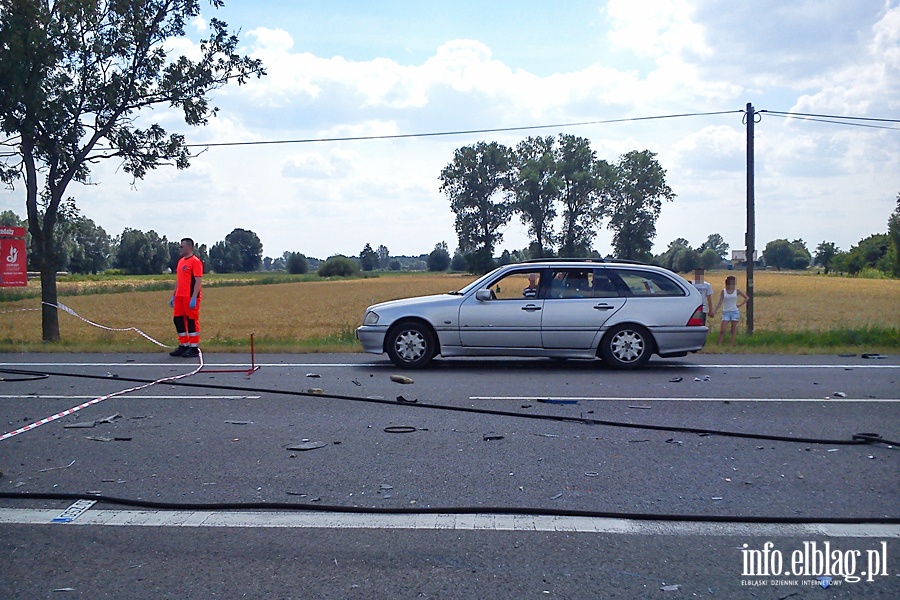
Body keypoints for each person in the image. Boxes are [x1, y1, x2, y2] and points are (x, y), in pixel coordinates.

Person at [169, 238, 203, 357]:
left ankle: (194, 347)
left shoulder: (195, 262)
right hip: (180, 296)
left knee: (191, 321)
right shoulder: (181, 261)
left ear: (189, 247)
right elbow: (179, 280)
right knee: (178, 320)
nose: (180, 249)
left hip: (190, 296)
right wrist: (174, 295)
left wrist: (194, 297)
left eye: (181, 247)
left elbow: (198, 280)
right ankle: (184, 345)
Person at [712, 275, 749, 345]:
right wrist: (715, 311)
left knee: (733, 329)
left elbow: (746, 298)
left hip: (734, 311)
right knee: (722, 330)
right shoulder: (723, 292)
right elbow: (720, 302)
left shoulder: (737, 291)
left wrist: (739, 305)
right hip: (726, 312)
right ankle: (719, 344)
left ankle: (731, 344)